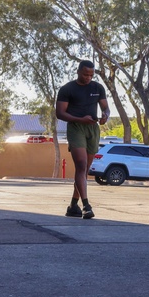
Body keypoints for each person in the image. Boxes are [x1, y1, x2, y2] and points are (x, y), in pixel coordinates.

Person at [56, 60, 109, 220]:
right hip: (76, 128)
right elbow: (60, 113)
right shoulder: (67, 89)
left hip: (92, 128)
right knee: (81, 165)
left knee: (84, 170)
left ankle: (73, 205)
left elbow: (105, 107)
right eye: (85, 74)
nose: (88, 77)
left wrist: (105, 115)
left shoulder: (98, 88)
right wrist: (80, 119)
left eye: (91, 75)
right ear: (78, 71)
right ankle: (86, 205)